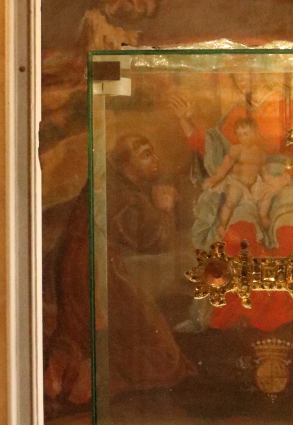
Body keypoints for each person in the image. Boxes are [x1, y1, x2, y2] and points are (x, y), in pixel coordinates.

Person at [44, 134, 194, 408]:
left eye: (152, 152)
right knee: (154, 343)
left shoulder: (111, 184)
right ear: (127, 163)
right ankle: (86, 387)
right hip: (94, 268)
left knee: (77, 330)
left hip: (72, 264)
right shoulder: (125, 196)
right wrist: (165, 210)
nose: (155, 159)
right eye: (145, 154)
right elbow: (150, 241)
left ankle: (61, 384)